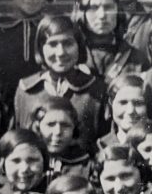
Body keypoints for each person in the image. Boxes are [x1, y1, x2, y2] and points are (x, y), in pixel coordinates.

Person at [13, 14, 105, 149]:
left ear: (79, 46)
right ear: (40, 48)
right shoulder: (26, 90)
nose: (60, 52)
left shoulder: (96, 89)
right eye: (52, 44)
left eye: (68, 43)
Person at [72, 0, 147, 85]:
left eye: (108, 7)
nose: (102, 15)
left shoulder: (135, 57)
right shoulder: (72, 55)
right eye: (94, 8)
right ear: (81, 12)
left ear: (118, 11)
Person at [0, 128, 49, 194]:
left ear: (44, 162)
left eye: (32, 160)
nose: (24, 169)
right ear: (2, 165)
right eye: (16, 161)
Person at [32, 96, 92, 184]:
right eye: (50, 124)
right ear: (38, 127)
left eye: (65, 125)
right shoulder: (29, 160)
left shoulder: (85, 165)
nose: (57, 132)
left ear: (74, 129)